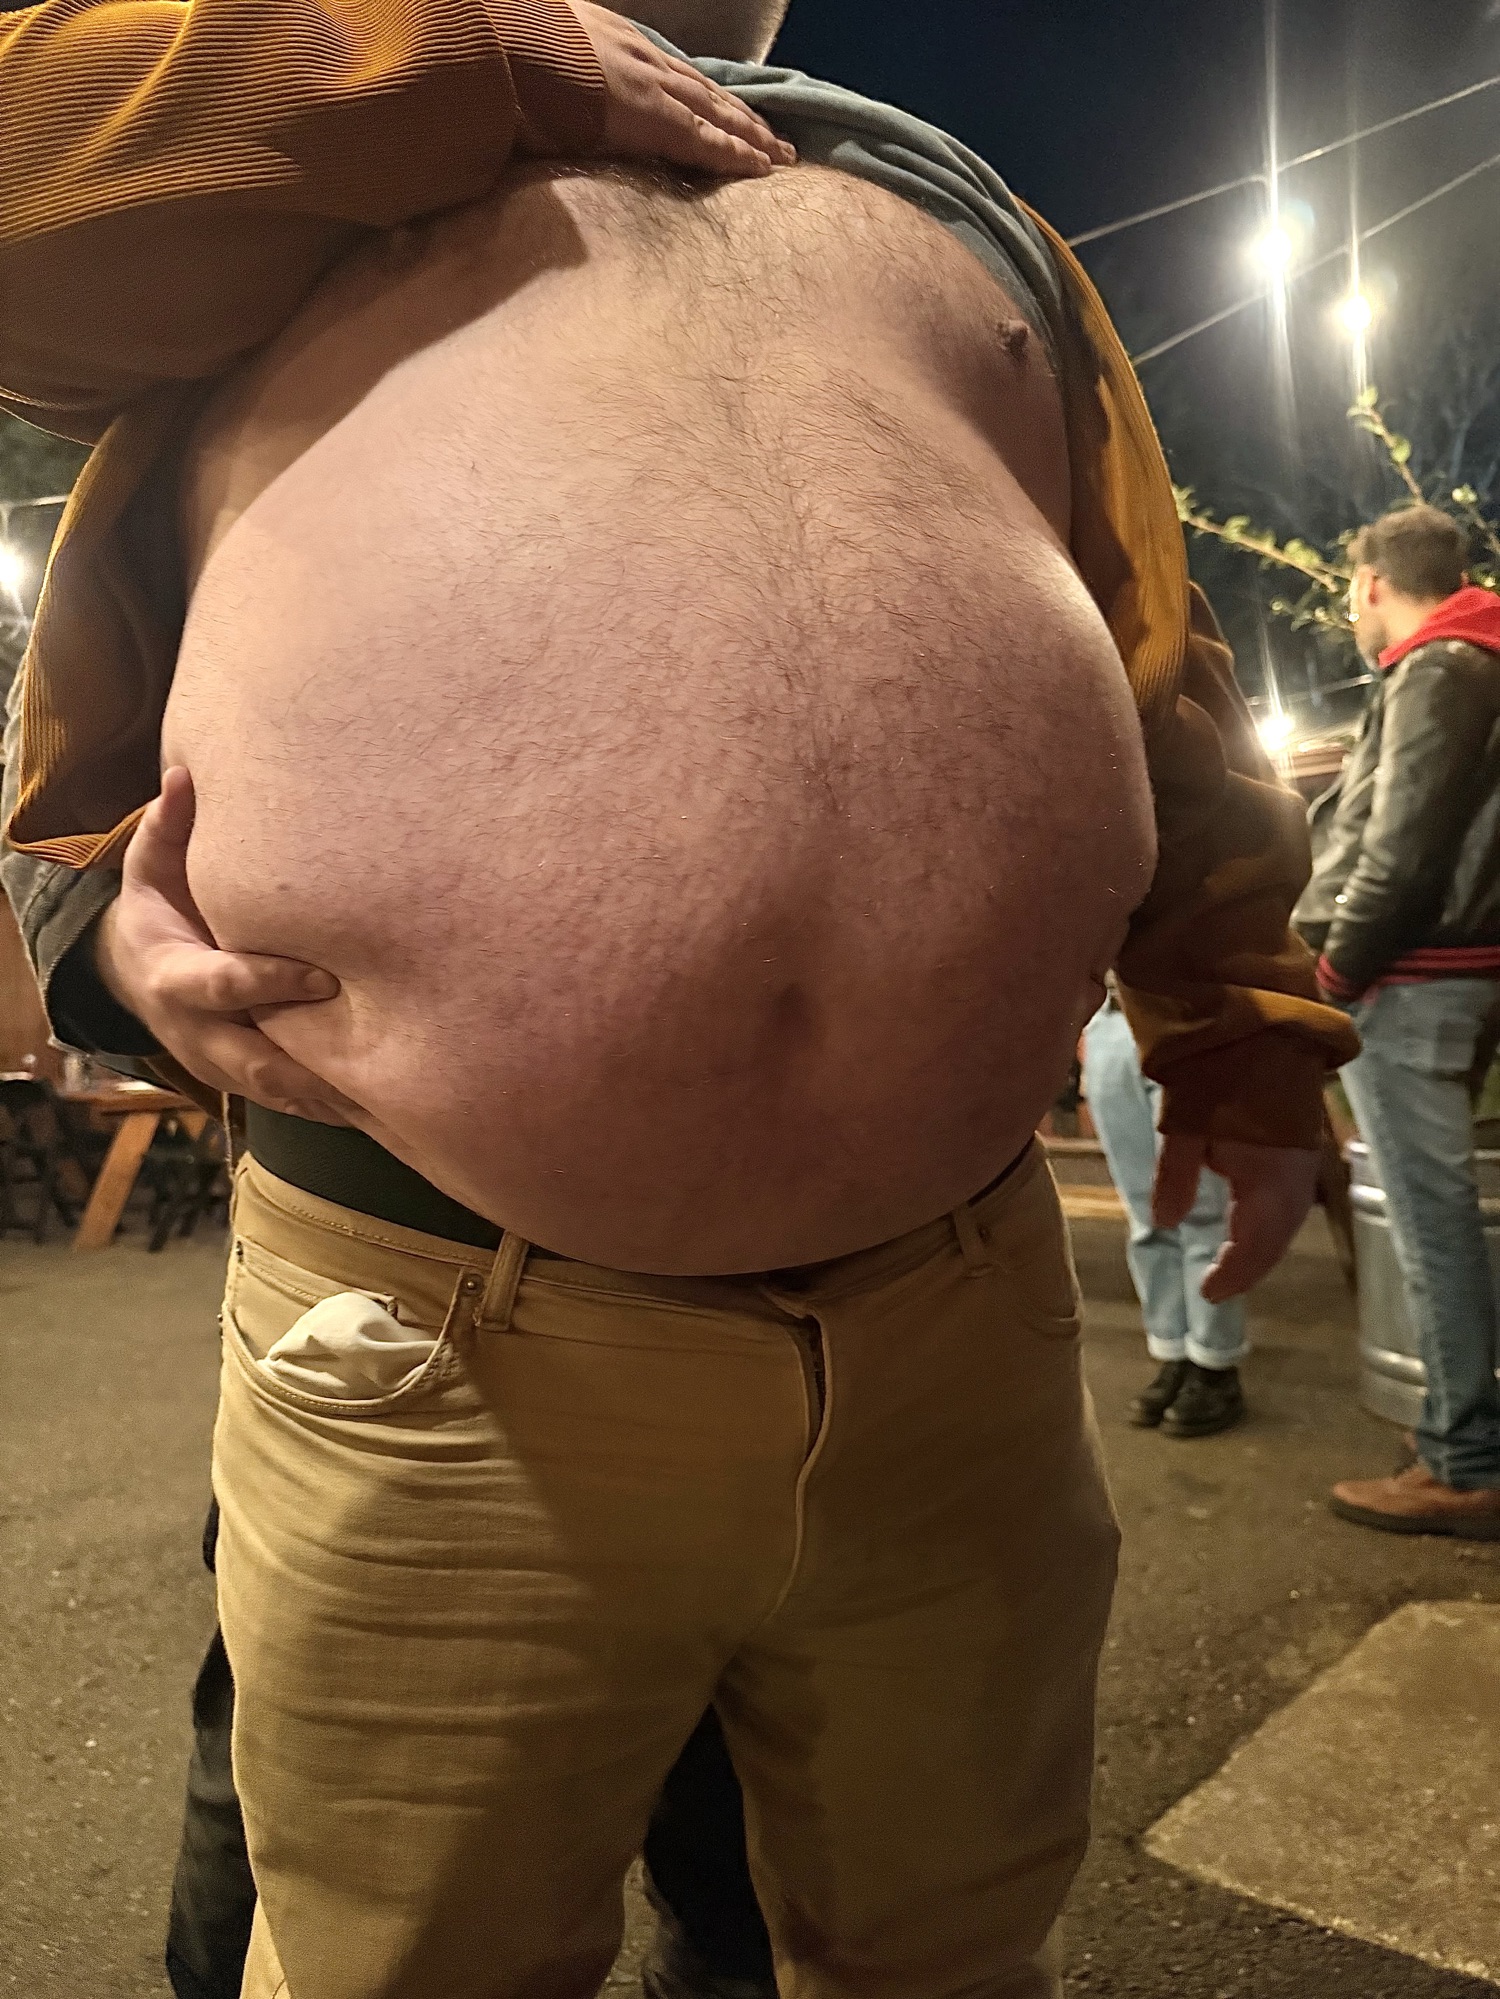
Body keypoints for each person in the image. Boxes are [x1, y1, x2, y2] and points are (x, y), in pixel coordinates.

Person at [1, 2, 1359, 1992]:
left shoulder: (967, 206)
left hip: (948, 1320)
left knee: (950, 1952)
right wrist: (471, 53)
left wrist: (1244, 1033)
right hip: (446, 1312)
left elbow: (1159, 660)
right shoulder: (303, 90)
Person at [1295, 503, 1500, 1538]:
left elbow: (1400, 842)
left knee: (1431, 1225)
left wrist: (1337, 967)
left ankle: (1465, 1461)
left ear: (1374, 582)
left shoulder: (1437, 668)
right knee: (1438, 1216)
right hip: (1447, 972)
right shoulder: (1474, 659)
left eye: (1349, 590)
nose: (1350, 610)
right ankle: (1459, 1440)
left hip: (1409, 977)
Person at [1082, 983, 1247, 1436]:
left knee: (1201, 1208)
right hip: (1112, 1019)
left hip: (1187, 1013)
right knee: (1146, 1213)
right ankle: (1173, 1350)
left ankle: (1214, 1363)